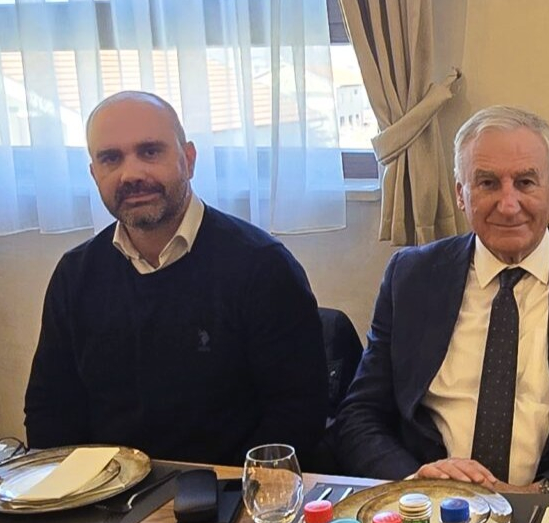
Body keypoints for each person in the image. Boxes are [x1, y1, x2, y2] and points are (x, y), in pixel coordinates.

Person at [331, 106, 549, 501]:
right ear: (460, 194)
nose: (508, 205)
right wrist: (415, 483)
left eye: (525, 182)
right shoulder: (411, 277)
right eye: (487, 183)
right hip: (432, 509)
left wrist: (540, 493)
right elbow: (359, 416)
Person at [22, 90, 329, 464]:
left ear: (189, 159)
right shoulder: (75, 275)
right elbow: (50, 411)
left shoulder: (262, 267)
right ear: (94, 173)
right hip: (108, 492)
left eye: (150, 151)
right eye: (111, 158)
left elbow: (297, 417)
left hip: (229, 490)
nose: (131, 174)